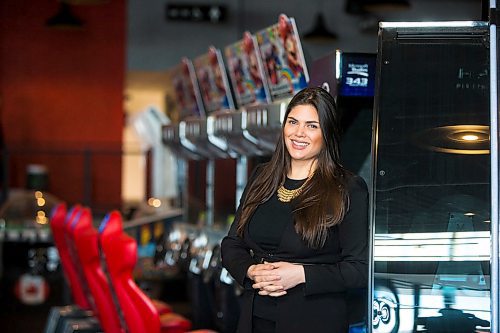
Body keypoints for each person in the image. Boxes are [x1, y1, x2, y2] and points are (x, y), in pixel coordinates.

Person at [221, 86, 369, 333]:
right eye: (293, 122)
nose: (299, 133)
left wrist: (301, 275)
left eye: (312, 125)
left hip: (314, 320)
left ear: (328, 133)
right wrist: (251, 270)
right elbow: (231, 243)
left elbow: (359, 269)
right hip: (254, 318)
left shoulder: (347, 187)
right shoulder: (262, 176)